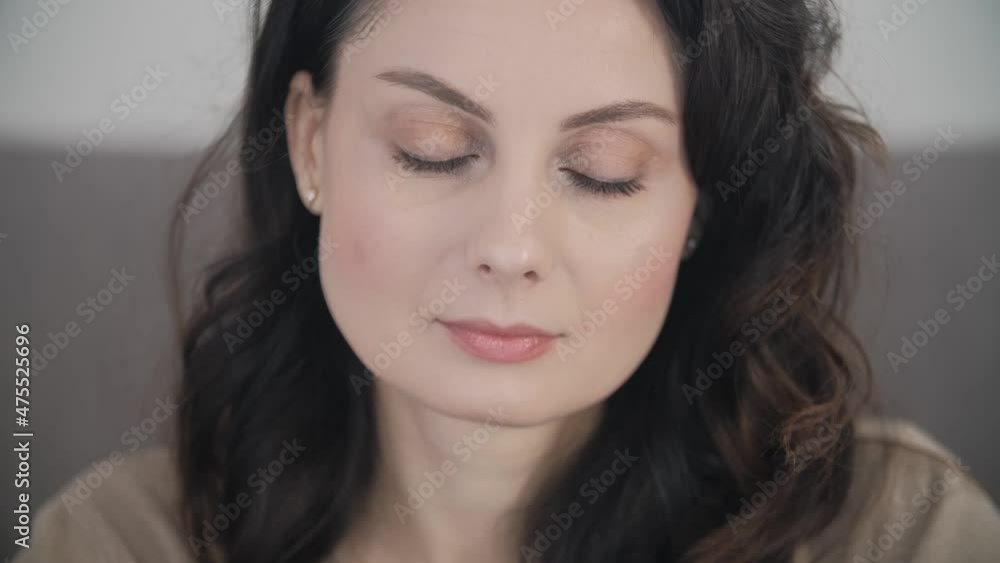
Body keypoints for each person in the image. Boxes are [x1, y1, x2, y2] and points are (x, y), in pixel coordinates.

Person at [16, 0, 1000, 562]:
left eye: (604, 170)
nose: (511, 245)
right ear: (310, 142)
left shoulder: (899, 531)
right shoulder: (115, 541)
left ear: (701, 202)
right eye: (433, 148)